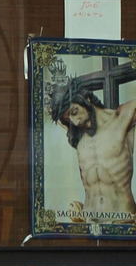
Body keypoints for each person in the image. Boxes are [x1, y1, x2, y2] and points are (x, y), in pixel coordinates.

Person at [51, 87, 136, 219]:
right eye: (68, 119)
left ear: (87, 99)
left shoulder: (122, 118)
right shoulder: (77, 135)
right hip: (90, 222)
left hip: (122, 222)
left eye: (74, 112)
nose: (75, 121)